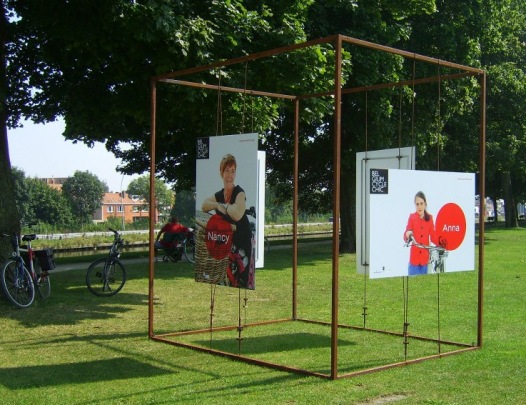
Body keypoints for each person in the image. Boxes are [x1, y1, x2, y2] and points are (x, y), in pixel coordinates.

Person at [201, 154, 253, 287]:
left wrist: (223, 205)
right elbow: (204, 205)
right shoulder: (219, 194)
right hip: (227, 241)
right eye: (227, 171)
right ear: (221, 172)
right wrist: (216, 205)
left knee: (240, 278)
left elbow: (236, 214)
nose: (230, 175)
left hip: (241, 241)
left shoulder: (239, 192)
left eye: (233, 171)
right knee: (226, 274)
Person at [403, 191, 438, 276]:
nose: (419, 206)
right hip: (414, 262)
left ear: (425, 204)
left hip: (425, 261)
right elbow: (406, 234)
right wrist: (407, 234)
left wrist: (441, 242)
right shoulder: (412, 217)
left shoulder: (430, 218)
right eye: (417, 204)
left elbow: (433, 237)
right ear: (415, 205)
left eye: (421, 203)